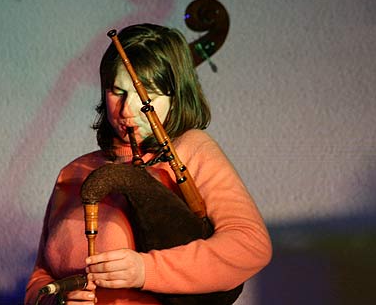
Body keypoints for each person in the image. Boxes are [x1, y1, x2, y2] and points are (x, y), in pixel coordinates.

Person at [25, 23, 272, 305]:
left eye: (148, 96)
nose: (127, 110)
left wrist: (145, 270)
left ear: (176, 97)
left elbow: (250, 245)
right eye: (117, 92)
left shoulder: (190, 151)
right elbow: (40, 278)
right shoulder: (73, 172)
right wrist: (57, 299)